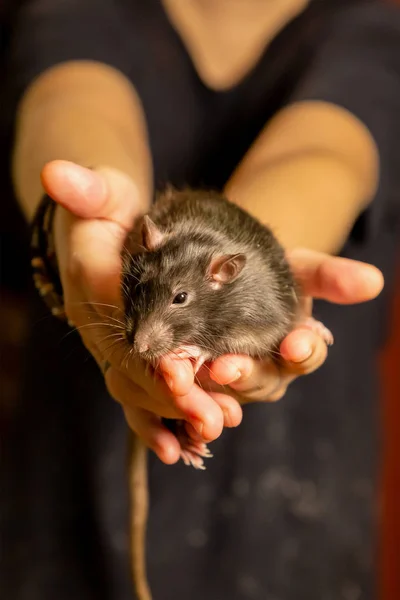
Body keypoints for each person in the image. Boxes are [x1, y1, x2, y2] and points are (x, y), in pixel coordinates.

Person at [1, 0, 400, 599]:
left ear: (224, 274)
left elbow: (325, 151)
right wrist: (86, 215)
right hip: (67, 475)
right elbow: (70, 100)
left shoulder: (374, 27)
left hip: (296, 494)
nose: (141, 338)